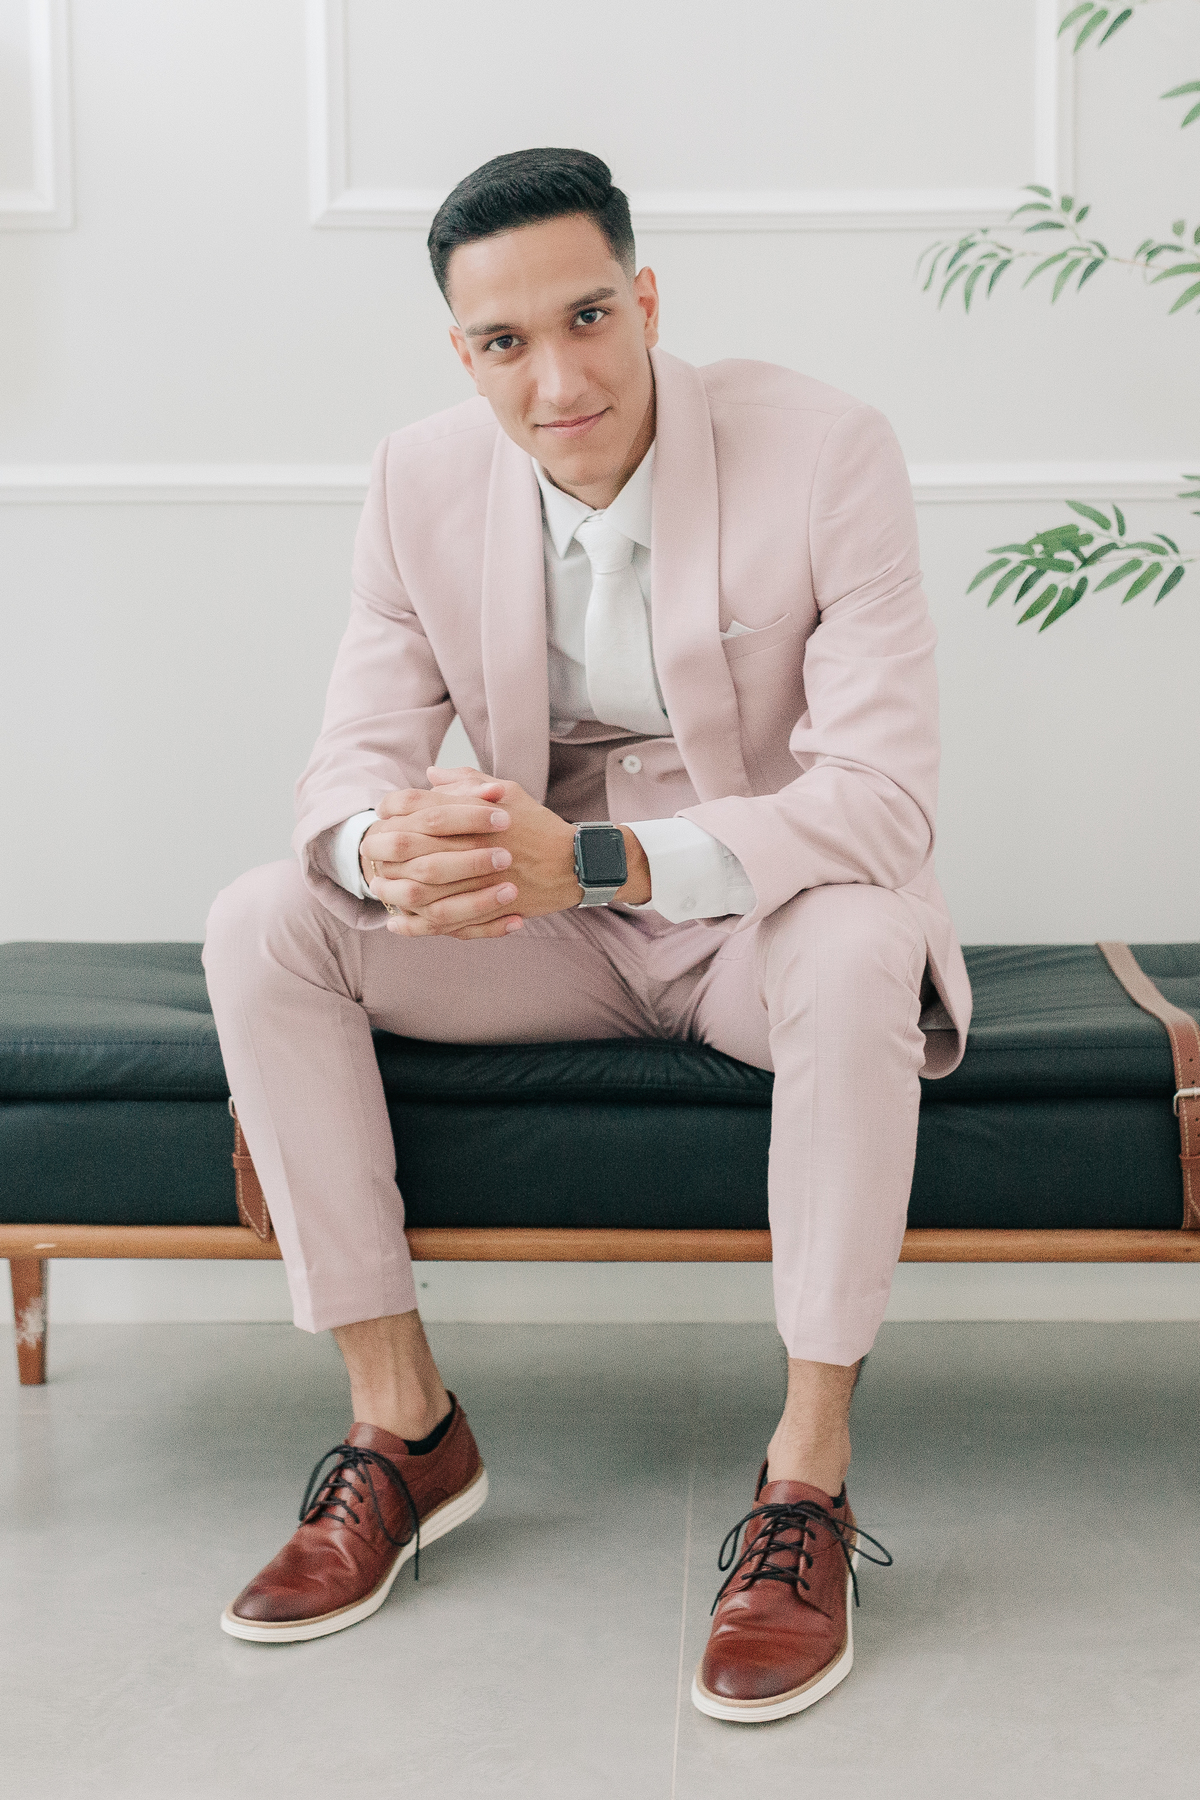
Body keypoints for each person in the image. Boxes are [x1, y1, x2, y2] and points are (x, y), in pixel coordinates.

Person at [203, 146, 971, 1721]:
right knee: (266, 917)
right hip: (539, 929)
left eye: (590, 318)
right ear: (463, 355)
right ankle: (405, 1429)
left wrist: (610, 863)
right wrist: (383, 846)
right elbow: (343, 769)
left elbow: (884, 802)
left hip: (761, 917)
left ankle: (807, 1481)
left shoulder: (827, 449)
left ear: (648, 301)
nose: (558, 380)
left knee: (858, 949)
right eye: (507, 342)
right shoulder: (416, 482)